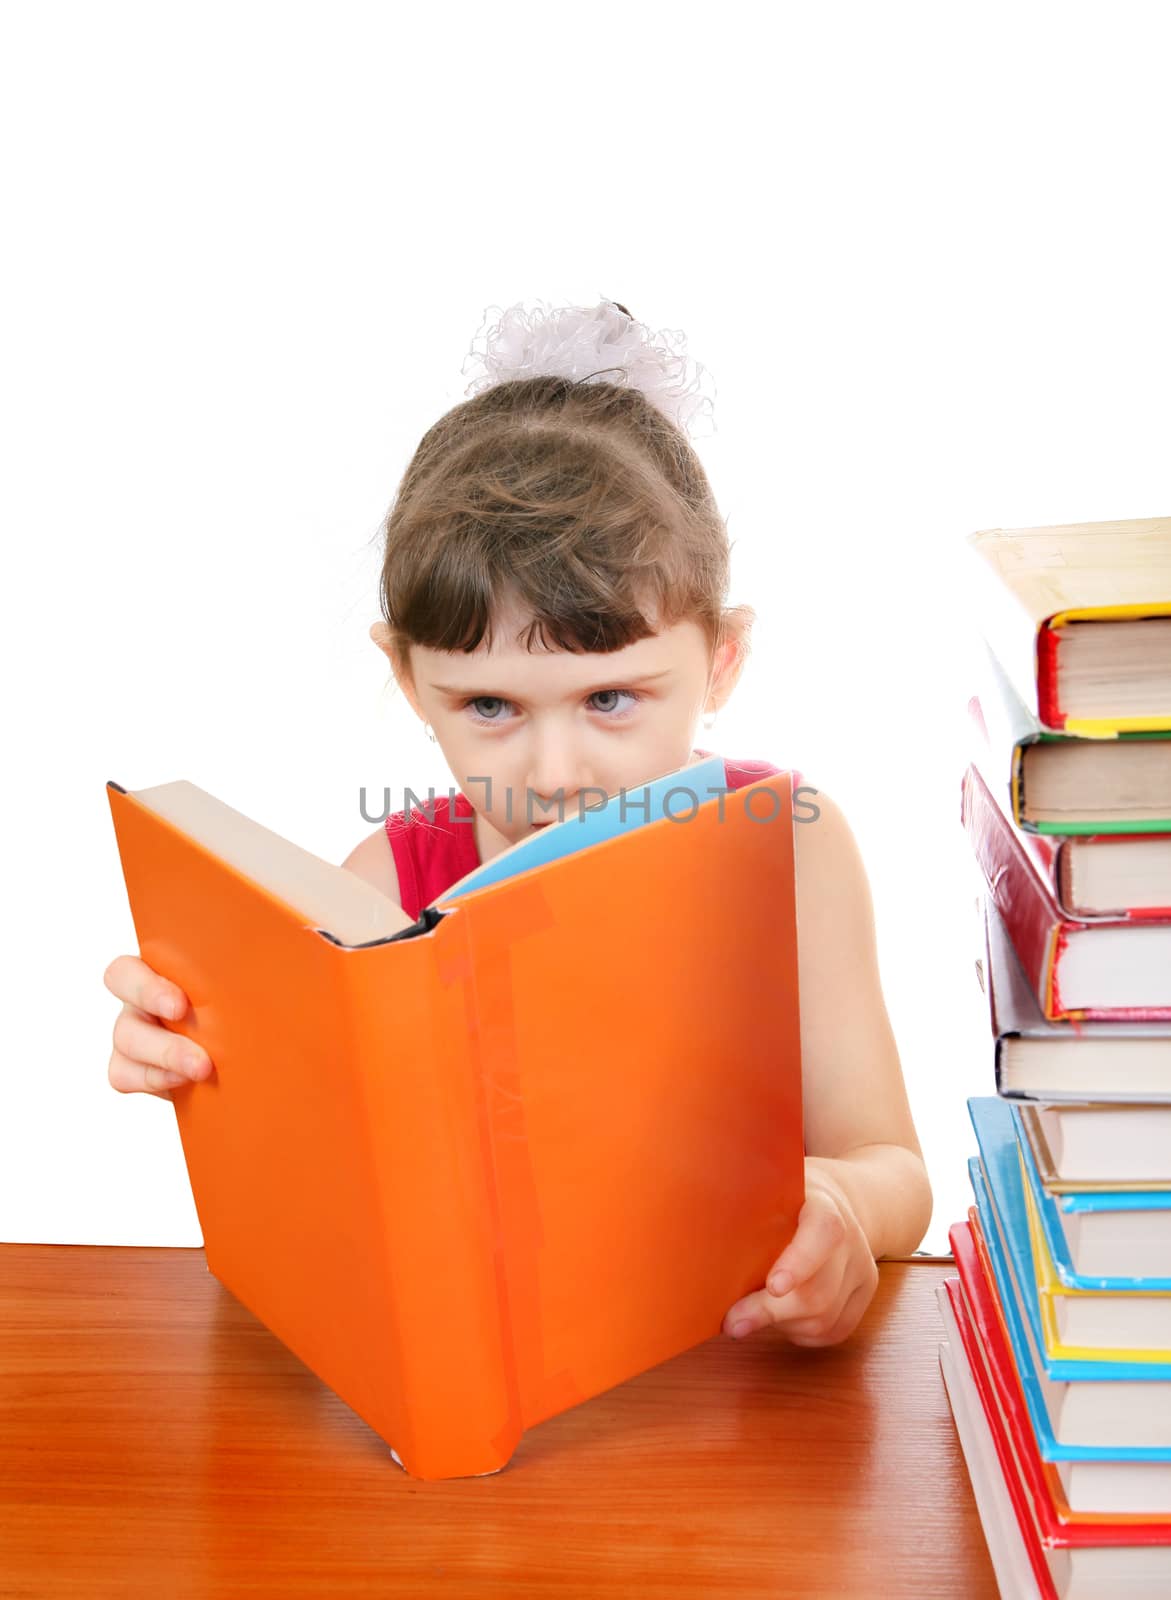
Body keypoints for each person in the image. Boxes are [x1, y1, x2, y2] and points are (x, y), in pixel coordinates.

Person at [103, 299, 932, 1350]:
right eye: (489, 708)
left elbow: (892, 1169)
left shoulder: (793, 847)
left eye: (612, 700)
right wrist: (205, 1064)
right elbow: (324, 1206)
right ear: (406, 676)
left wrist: (847, 1215)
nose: (554, 774)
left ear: (721, 659)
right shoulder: (385, 885)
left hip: (726, 1379)